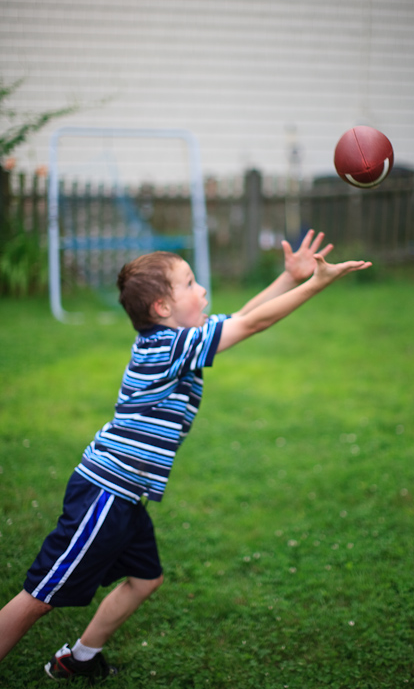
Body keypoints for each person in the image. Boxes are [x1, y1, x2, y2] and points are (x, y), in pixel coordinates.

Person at [0, 230, 371, 681]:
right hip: (105, 492)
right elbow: (252, 324)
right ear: (162, 309)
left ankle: (79, 658)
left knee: (145, 578)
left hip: (126, 496)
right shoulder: (170, 346)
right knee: (42, 594)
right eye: (192, 284)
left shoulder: (179, 341)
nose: (203, 290)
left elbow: (245, 316)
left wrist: (287, 278)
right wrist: (313, 284)